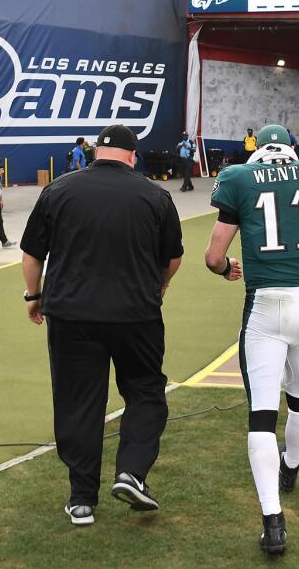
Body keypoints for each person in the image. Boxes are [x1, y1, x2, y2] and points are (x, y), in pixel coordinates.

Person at [20, 123, 184, 527]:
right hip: (136, 314)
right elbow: (173, 257)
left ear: (94, 152)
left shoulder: (58, 190)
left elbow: (31, 252)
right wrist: (159, 286)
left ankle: (81, 500)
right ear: (132, 155)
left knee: (79, 402)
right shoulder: (154, 195)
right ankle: (131, 472)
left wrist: (34, 295)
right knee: (145, 390)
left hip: (71, 314)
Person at [204, 123, 299, 555]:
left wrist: (227, 268)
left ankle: (273, 522)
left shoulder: (237, 177)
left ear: (259, 149)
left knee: (262, 416)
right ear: (292, 148)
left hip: (265, 302)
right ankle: (291, 469)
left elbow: (213, 257)